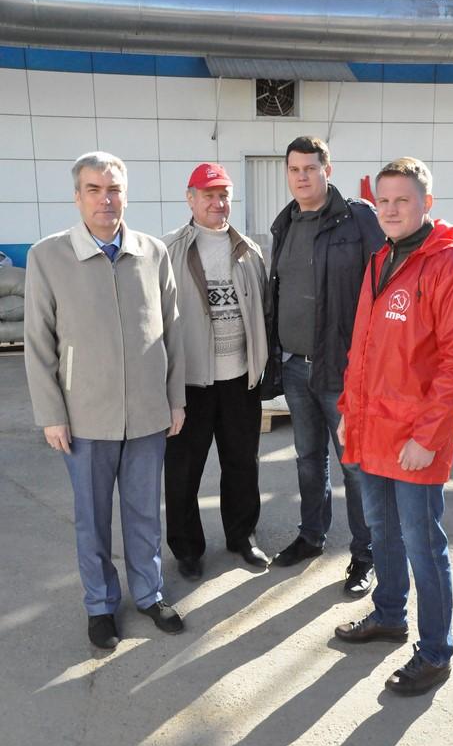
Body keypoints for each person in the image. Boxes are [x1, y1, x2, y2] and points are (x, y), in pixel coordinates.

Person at [334, 157, 453, 696]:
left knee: (423, 545)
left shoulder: (451, 265)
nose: (392, 209)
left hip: (416, 440)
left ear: (427, 203)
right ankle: (389, 615)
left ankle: (436, 652)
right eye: (384, 200)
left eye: (403, 200)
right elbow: (362, 348)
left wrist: (427, 437)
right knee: (382, 532)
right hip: (373, 429)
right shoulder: (382, 257)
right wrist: (349, 414)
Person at [24, 152, 186, 650]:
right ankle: (99, 605)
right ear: (77, 197)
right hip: (84, 418)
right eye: (93, 189)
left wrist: (175, 400)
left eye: (113, 189)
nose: (105, 199)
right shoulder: (48, 256)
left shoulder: (152, 252)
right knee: (92, 519)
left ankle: (149, 593)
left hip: (146, 414)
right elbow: (38, 343)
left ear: (126, 195)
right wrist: (52, 414)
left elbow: (173, 330)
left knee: (144, 513)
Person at [262, 136, 385, 597]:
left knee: (354, 465)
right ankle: (311, 536)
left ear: (326, 170)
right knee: (308, 459)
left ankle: (365, 554)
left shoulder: (358, 218)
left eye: (310, 168)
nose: (302, 177)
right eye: (294, 169)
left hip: (342, 368)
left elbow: (385, 281)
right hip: (295, 366)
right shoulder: (285, 223)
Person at [162, 163, 270, 581]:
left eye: (224, 194)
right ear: (190, 199)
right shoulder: (169, 250)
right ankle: (187, 549)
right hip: (191, 382)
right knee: (184, 470)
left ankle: (242, 537)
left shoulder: (248, 250)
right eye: (208, 195)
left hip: (239, 379)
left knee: (242, 463)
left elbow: (263, 311)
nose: (217, 202)